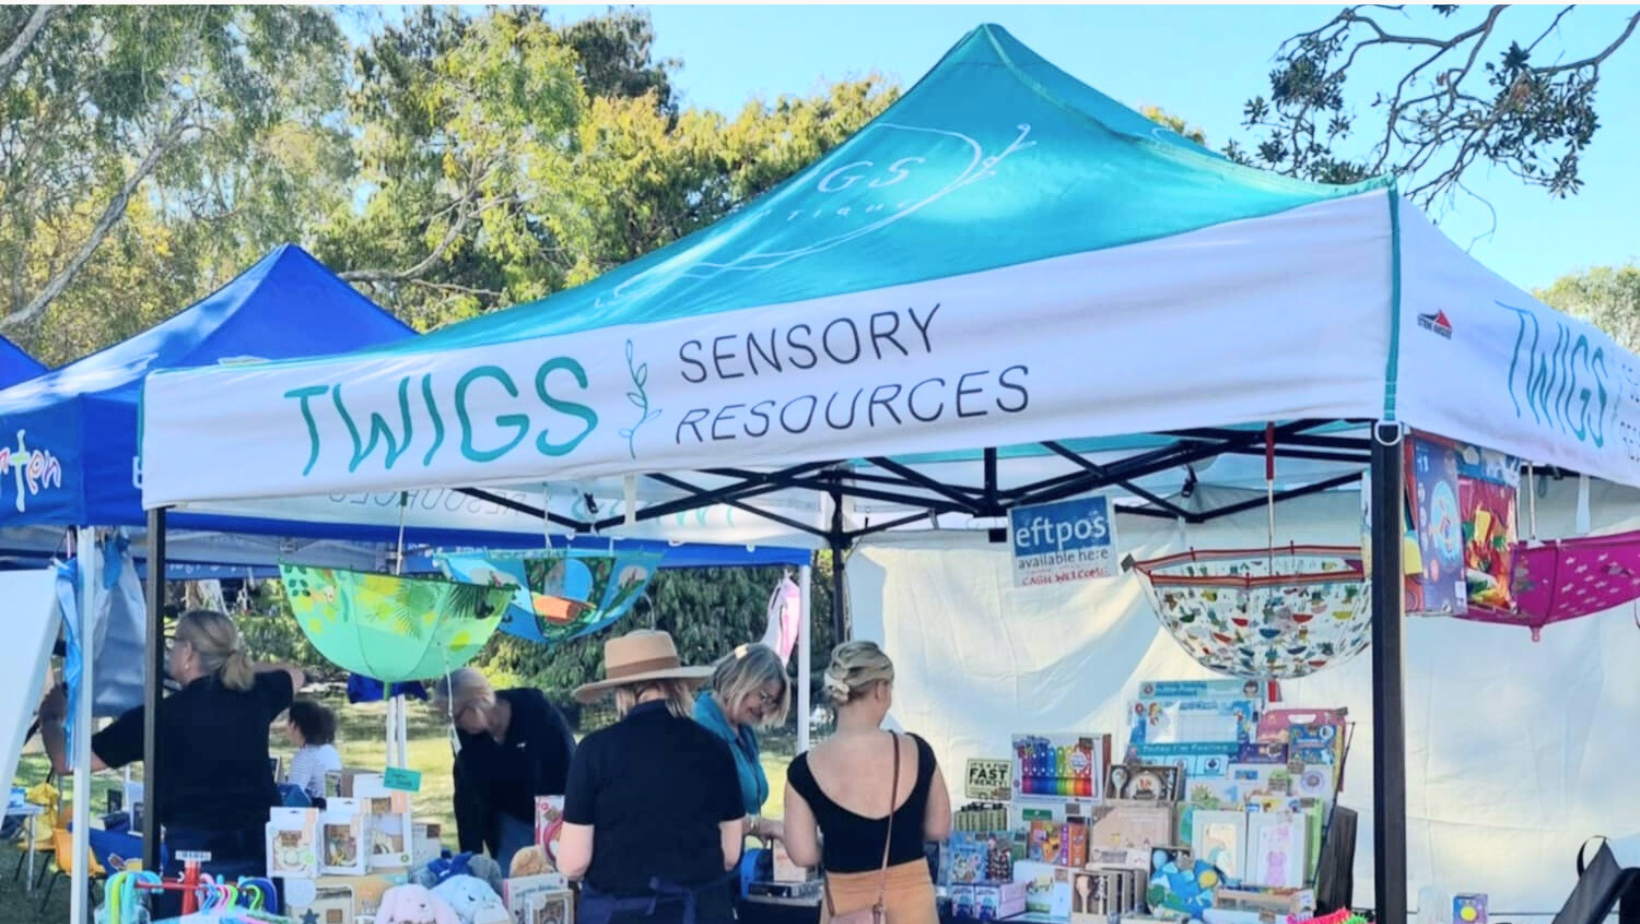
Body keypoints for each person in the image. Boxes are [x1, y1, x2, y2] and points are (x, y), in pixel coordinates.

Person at [37, 610, 304, 918]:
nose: (171, 652)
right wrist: (240, 666)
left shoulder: (156, 717)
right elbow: (294, 674)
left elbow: (66, 761)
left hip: (192, 868)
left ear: (189, 652)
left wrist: (50, 717)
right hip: (257, 860)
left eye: (174, 643)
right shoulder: (256, 696)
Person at [558, 630, 745, 924]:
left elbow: (573, 863)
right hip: (702, 912)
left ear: (622, 692)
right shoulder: (716, 748)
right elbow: (731, 854)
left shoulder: (595, 751)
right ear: (677, 684)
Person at [783, 641, 951, 924]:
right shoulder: (916, 751)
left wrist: (844, 841)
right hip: (913, 907)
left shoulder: (804, 769)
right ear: (880, 689)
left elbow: (803, 854)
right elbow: (938, 827)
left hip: (846, 908)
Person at [432, 667, 577, 868]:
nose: (454, 725)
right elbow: (467, 797)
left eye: (455, 716)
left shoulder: (536, 711)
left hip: (555, 815)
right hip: (509, 823)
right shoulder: (464, 736)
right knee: (509, 885)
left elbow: (569, 769)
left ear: (478, 701)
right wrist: (470, 857)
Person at [693, 642, 791, 842]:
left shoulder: (744, 730)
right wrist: (762, 825)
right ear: (739, 680)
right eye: (763, 697)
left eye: (772, 702)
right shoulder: (699, 727)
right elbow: (705, 814)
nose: (765, 709)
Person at [285, 698, 342, 800]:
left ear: (294, 725)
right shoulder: (329, 750)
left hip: (315, 812)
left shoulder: (305, 757)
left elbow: (292, 798)